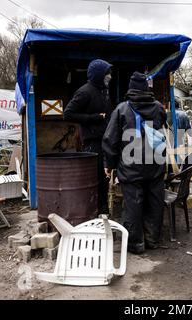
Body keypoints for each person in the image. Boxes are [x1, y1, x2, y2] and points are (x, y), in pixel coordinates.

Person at [102, 71, 166, 254]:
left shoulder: (122, 109)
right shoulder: (158, 107)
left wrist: (110, 164)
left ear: (131, 89)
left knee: (133, 205)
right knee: (155, 202)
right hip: (155, 163)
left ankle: (135, 244)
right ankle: (153, 239)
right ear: (146, 89)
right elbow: (162, 124)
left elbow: (110, 140)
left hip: (131, 166)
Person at [63, 59, 113, 215]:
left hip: (105, 140)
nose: (110, 76)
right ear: (99, 75)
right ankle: (95, 212)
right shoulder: (85, 91)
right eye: (107, 74)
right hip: (92, 142)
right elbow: (68, 114)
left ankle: (103, 212)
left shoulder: (103, 91)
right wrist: (94, 118)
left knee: (105, 178)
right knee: (96, 179)